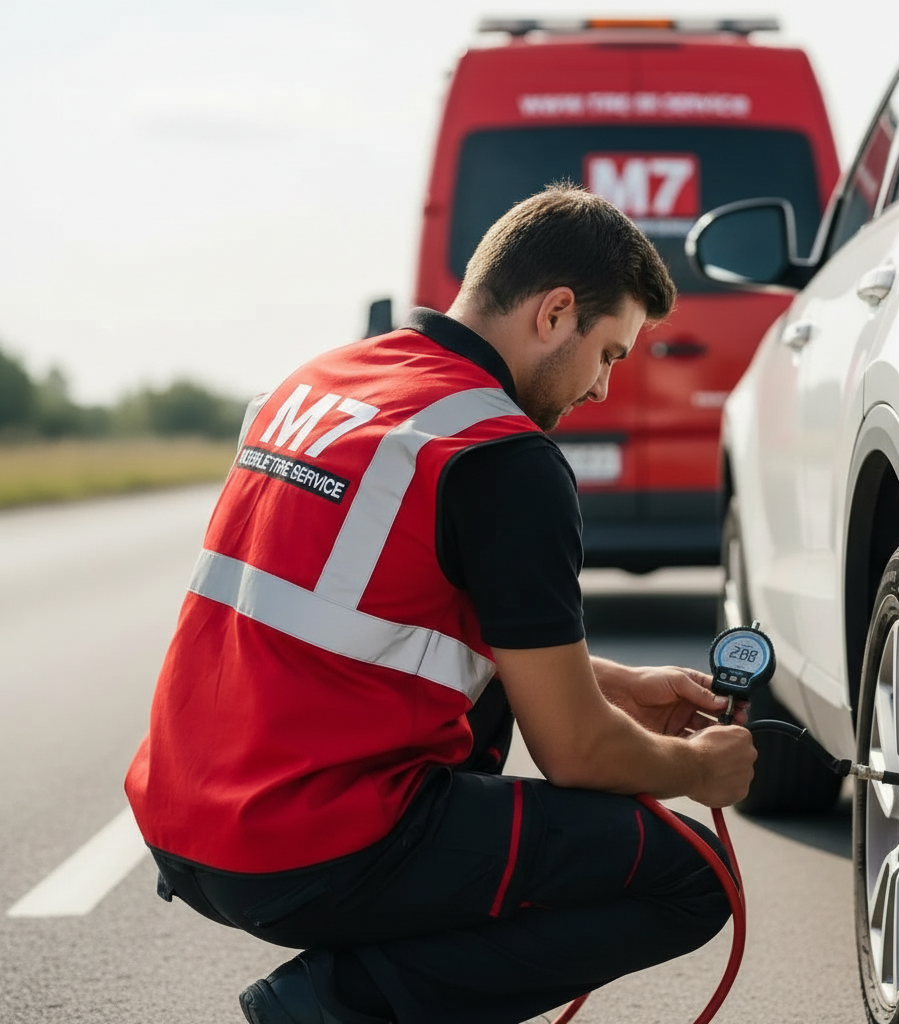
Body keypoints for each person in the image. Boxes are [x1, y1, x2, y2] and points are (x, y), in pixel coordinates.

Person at [124, 184, 757, 1024]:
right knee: (693, 877)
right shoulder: (502, 457)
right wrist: (701, 770)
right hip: (304, 845)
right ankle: (330, 1007)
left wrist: (606, 682)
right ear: (556, 312)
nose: (604, 389)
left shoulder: (319, 383)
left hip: (183, 820)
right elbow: (576, 756)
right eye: (609, 353)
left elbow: (370, 613)